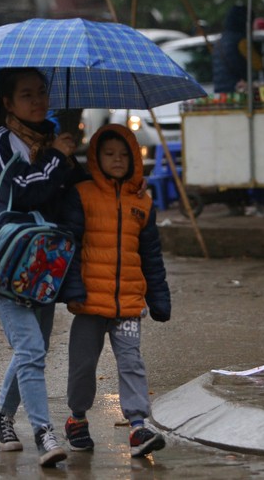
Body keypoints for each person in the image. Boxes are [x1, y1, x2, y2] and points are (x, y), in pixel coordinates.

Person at [0, 67, 84, 467]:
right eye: (26, 95)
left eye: (42, 92)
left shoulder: (52, 144)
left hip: (43, 264)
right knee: (31, 348)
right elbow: (24, 193)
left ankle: (2, 415)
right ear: (7, 102)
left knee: (32, 348)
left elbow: (68, 198)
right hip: (4, 262)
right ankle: (44, 432)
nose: (38, 101)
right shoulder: (1, 144)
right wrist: (58, 157)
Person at [58, 124, 171, 458]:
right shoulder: (82, 194)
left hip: (129, 305)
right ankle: (77, 418)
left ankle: (138, 427)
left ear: (135, 158)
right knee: (82, 365)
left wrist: (159, 299)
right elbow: (71, 246)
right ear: (96, 158)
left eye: (124, 154)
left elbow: (151, 256)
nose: (117, 160)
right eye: (109, 154)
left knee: (131, 362)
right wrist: (73, 289)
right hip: (89, 303)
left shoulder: (143, 203)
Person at [212, 3, 262, 93]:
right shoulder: (241, 41)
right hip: (238, 92)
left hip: (220, 93)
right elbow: (258, 65)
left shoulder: (218, 42)